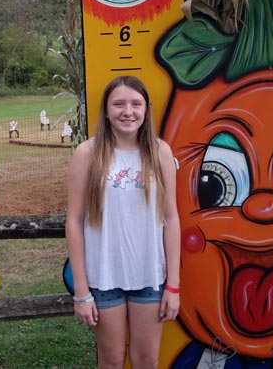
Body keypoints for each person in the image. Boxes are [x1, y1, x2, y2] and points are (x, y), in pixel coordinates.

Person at [65, 75, 180, 369]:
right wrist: (81, 291)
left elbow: (170, 218)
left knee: (146, 360)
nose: (127, 111)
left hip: (150, 277)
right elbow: (75, 222)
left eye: (135, 104)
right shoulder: (87, 154)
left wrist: (173, 286)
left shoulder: (160, 152)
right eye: (118, 104)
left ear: (146, 110)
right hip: (103, 278)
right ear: (106, 110)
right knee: (112, 359)